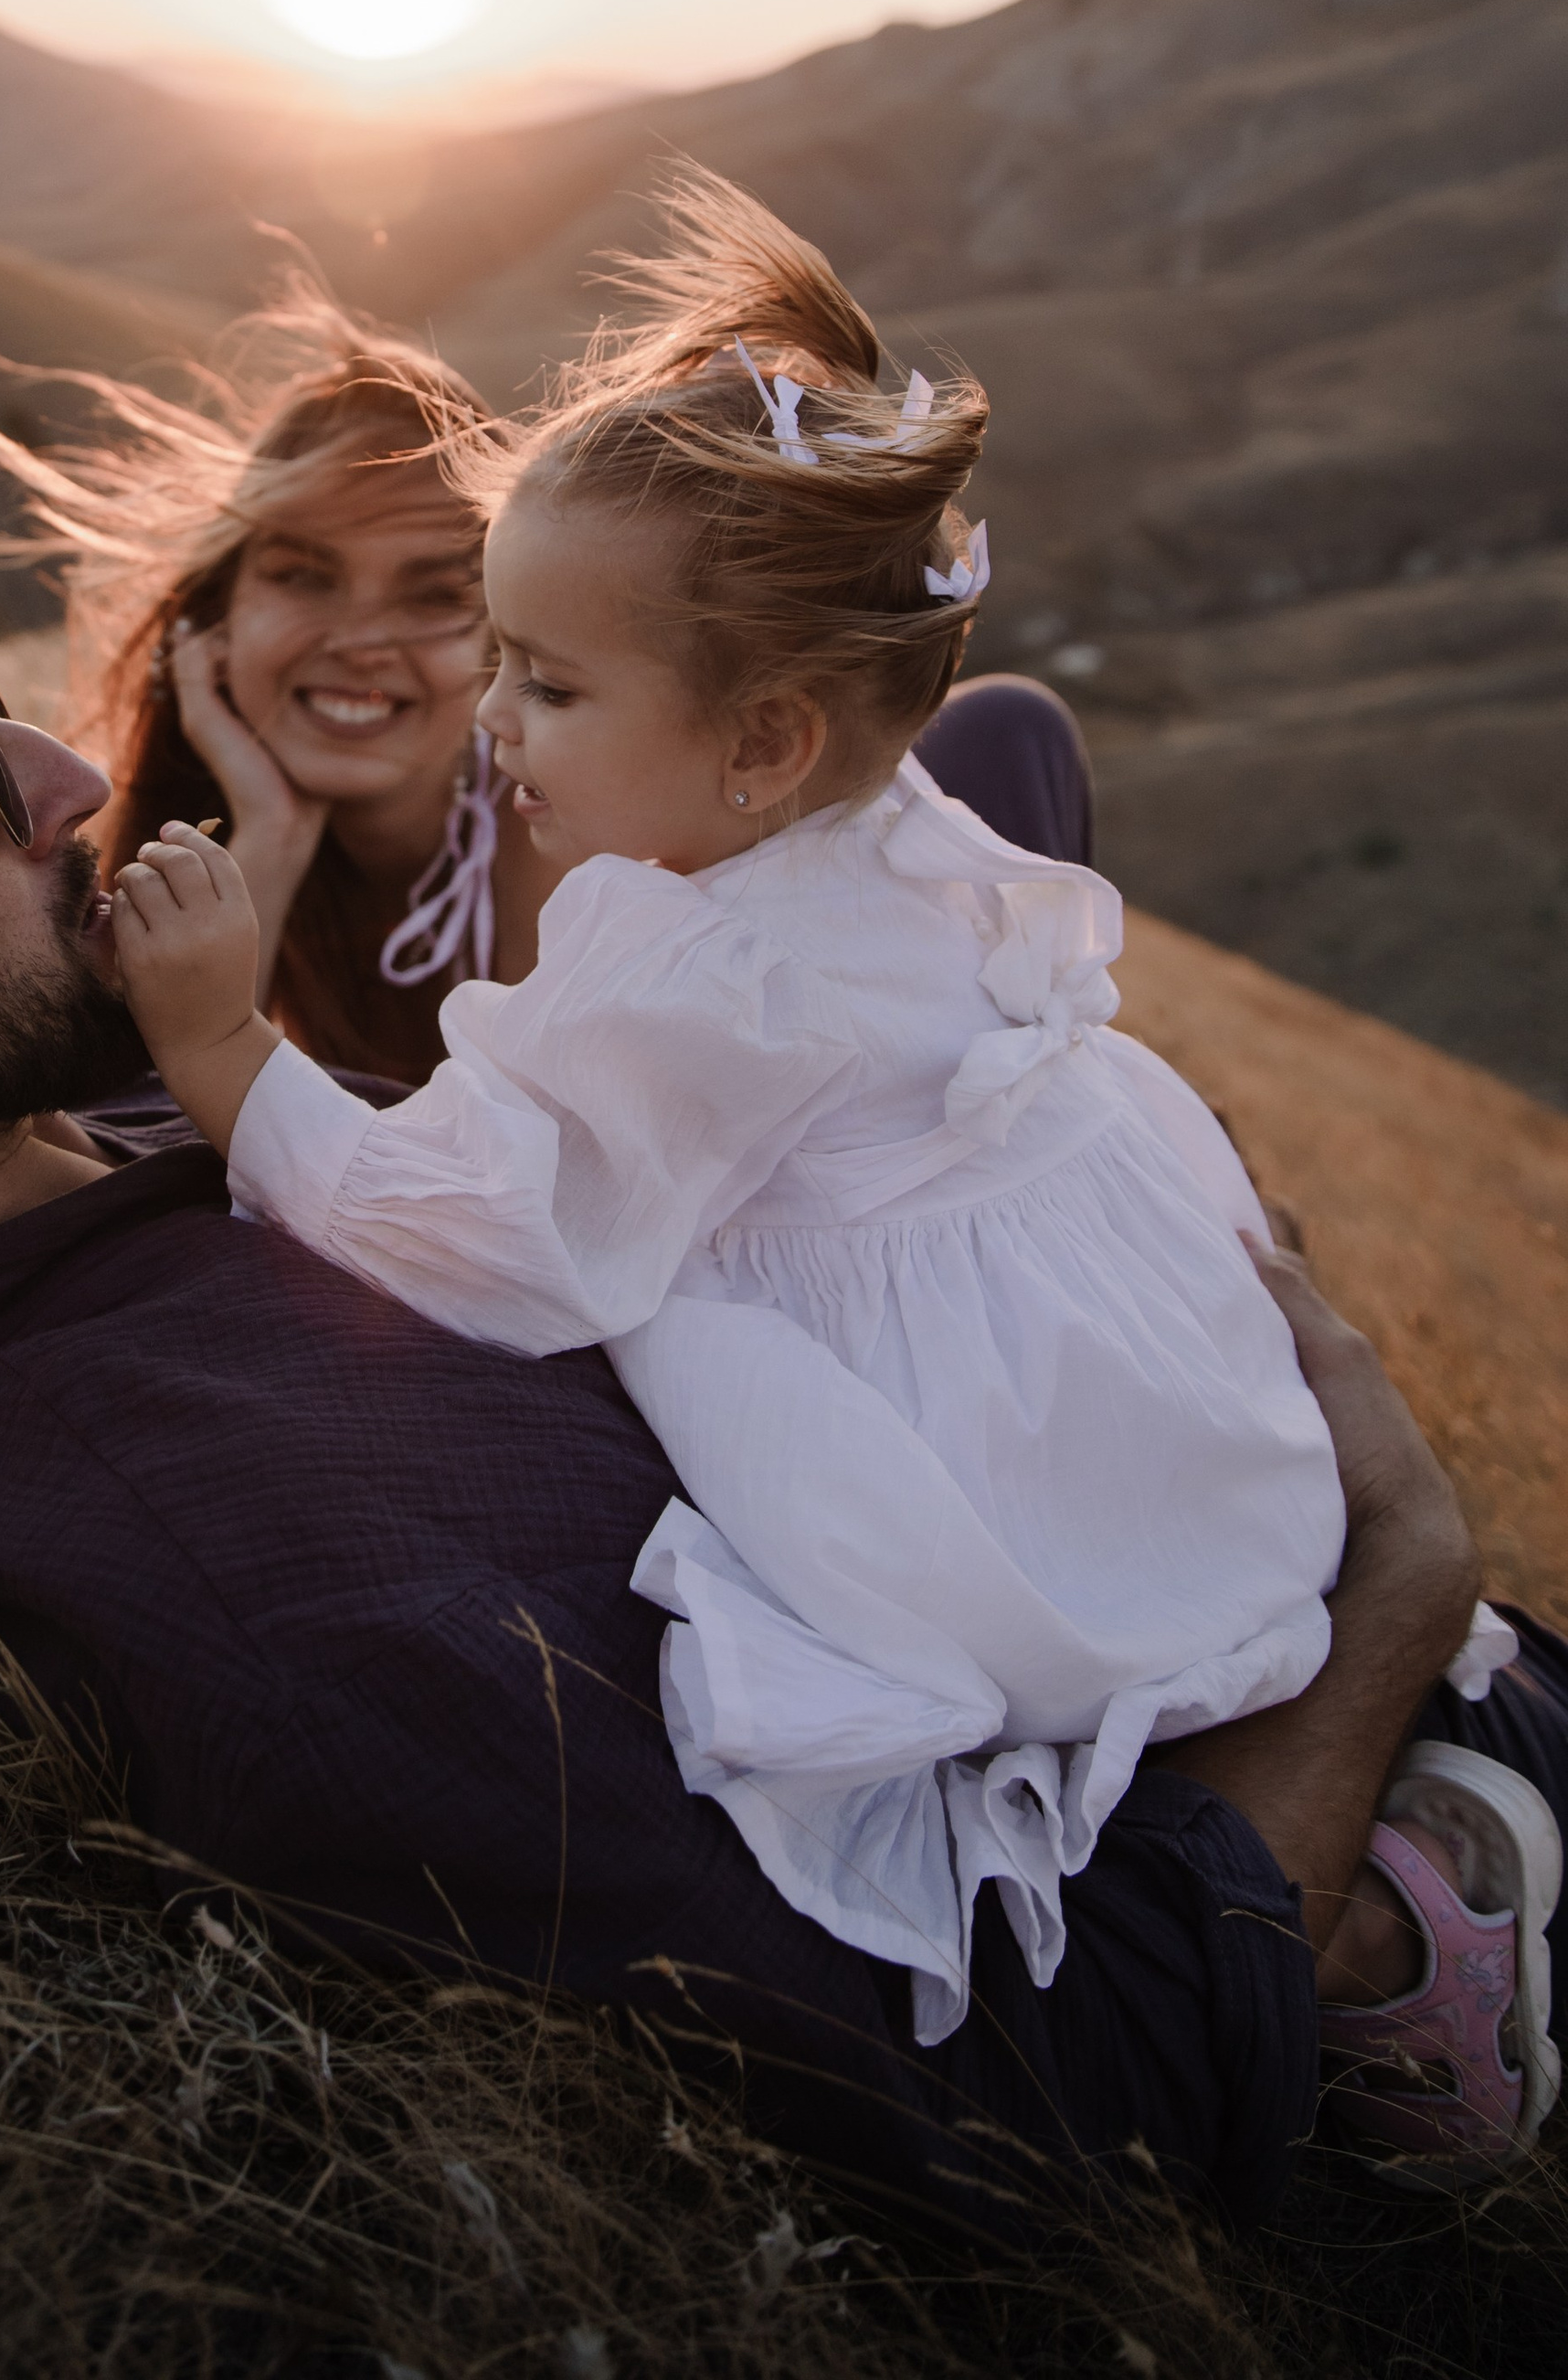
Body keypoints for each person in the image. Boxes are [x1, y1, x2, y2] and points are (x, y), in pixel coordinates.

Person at [0, 516, 1568, 2211]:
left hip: (1158, 1565)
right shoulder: (261, 1572)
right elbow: (1080, 2088)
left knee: (984, 762)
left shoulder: (62, 1142)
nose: (57, 769)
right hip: (1428, 1785)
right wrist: (1399, 1555)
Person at [110, 170, 1547, 2130]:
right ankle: (1406, 1856)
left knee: (964, 1720)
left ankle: (1374, 1963)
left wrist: (219, 1050)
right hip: (1123, 1388)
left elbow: (476, 1240)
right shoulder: (876, 832)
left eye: (542, 679)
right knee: (1176, 1663)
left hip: (977, 1455)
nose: (491, 718)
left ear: (765, 741)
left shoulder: (682, 963)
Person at [0, 286, 1094, 1086]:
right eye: (304, 575)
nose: (359, 639)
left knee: (1008, 733)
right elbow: (151, 1144)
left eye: (434, 591)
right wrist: (266, 838)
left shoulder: (616, 831)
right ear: (219, 613)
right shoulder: (185, 865)